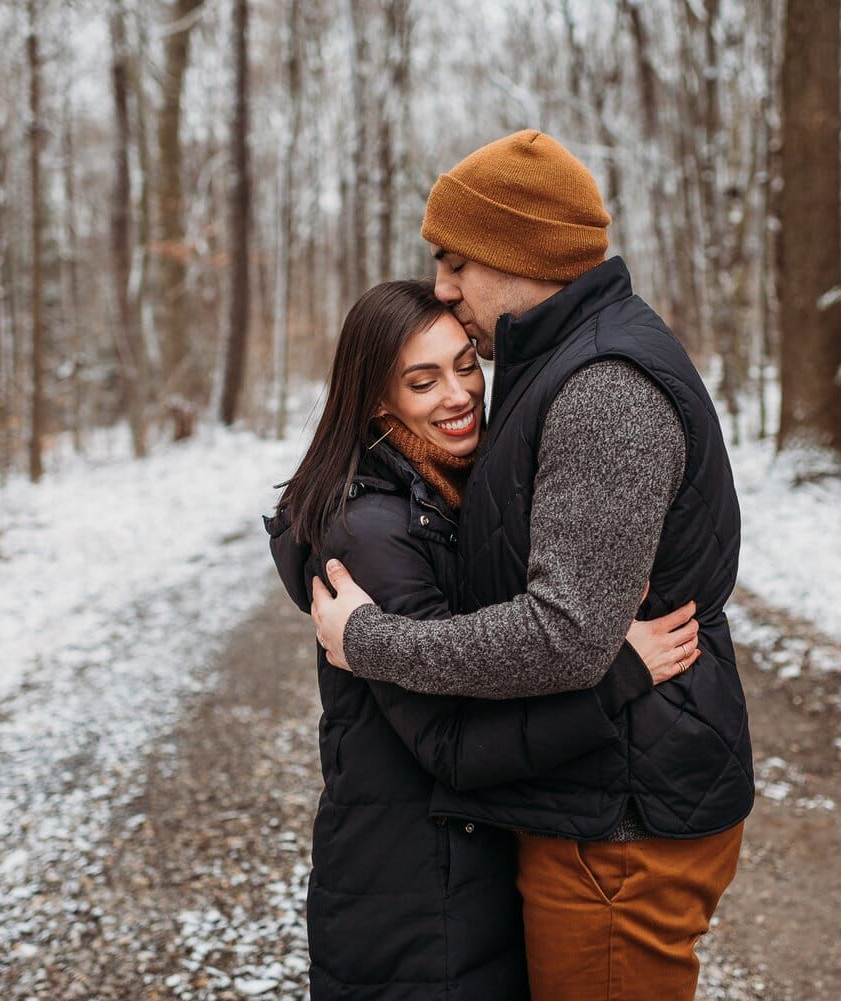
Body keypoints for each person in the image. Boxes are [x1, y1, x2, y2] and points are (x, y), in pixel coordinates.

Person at [311, 131, 755, 1001]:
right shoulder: (557, 361)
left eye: (453, 261)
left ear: (518, 253)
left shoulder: (602, 388)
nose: (440, 286)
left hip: (620, 819)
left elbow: (564, 638)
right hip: (593, 798)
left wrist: (369, 641)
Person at [265, 279, 702, 1000]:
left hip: (461, 872)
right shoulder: (366, 532)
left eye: (465, 363)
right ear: (378, 400)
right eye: (422, 380)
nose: (459, 393)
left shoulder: (446, 494)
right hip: (412, 893)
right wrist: (618, 672)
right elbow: (453, 747)